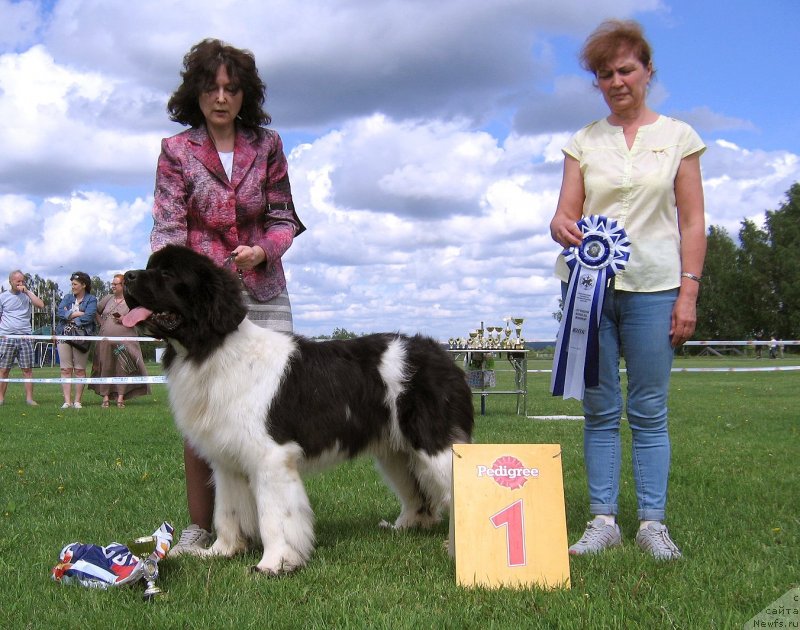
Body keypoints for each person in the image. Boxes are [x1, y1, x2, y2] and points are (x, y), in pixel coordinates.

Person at [549, 19, 706, 560]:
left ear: (647, 71)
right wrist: (563, 228)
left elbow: (692, 223)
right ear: (596, 83)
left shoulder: (680, 138)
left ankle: (653, 524)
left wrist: (688, 293)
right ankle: (603, 520)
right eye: (603, 74)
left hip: (656, 287)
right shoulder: (583, 142)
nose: (616, 81)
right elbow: (563, 217)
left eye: (625, 69)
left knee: (648, 409)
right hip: (589, 295)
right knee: (598, 409)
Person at [151, 38, 305, 555]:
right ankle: (206, 527)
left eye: (232, 88)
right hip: (200, 305)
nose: (221, 97)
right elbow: (168, 228)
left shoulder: (268, 144)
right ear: (195, 92)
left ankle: (276, 527)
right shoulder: (176, 151)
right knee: (206, 411)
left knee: (270, 416)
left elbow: (285, 219)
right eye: (212, 87)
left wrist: (262, 251)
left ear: (245, 95)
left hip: (263, 292)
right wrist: (169, 283)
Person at [88, 274, 151, 408]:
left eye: (116, 284)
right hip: (105, 340)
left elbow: (142, 318)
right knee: (106, 366)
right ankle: (105, 397)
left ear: (123, 286)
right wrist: (102, 323)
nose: (113, 286)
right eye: (112, 284)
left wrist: (125, 319)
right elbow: (94, 311)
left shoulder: (132, 301)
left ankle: (120, 398)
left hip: (126, 340)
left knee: (124, 368)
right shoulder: (107, 299)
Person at [0, 270, 45, 406]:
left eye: (22, 281)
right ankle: (1, 399)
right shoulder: (3, 297)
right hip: (7, 337)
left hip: (25, 336)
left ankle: (30, 399)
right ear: (11, 282)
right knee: (4, 369)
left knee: (27, 370)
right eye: (17, 281)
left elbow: (41, 305)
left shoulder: (27, 295)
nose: (20, 284)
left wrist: (28, 292)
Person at [55, 272, 98, 409]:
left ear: (83, 285)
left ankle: (77, 401)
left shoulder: (91, 299)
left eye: (75, 284)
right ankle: (67, 401)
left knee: (80, 370)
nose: (72, 286)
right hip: (64, 335)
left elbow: (90, 316)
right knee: (65, 369)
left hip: (82, 337)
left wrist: (73, 318)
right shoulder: (67, 297)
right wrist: (77, 313)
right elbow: (60, 312)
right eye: (71, 284)